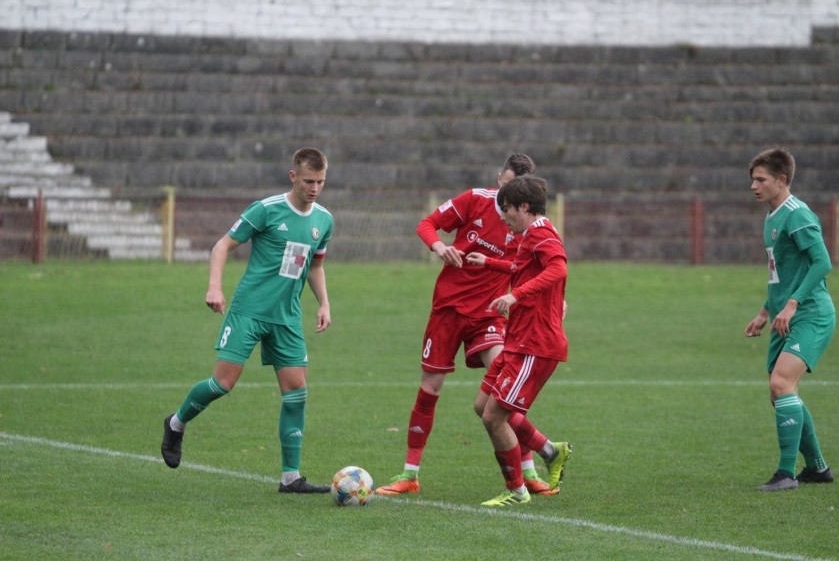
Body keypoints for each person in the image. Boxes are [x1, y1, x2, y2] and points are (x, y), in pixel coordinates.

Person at [376, 154, 571, 497]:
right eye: (504, 183)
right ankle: (410, 474)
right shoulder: (475, 201)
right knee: (431, 388)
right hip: (448, 309)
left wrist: (552, 298)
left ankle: (527, 474)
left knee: (501, 397)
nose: (505, 194)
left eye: (514, 190)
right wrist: (438, 246)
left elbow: (548, 267)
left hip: (489, 315)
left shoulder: (527, 228)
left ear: (524, 200)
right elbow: (426, 223)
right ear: (499, 178)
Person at [161, 147, 334, 494]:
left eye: (320, 181)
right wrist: (214, 287)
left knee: (296, 392)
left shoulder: (324, 220)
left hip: (286, 318)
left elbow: (314, 265)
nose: (315, 188)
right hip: (249, 311)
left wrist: (324, 303)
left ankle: (290, 478)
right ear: (293, 177)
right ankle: (176, 423)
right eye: (308, 181)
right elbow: (222, 246)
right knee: (222, 383)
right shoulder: (267, 209)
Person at [466, 174, 569, 507]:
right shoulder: (530, 234)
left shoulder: (541, 235)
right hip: (519, 340)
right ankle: (551, 452)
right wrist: (491, 263)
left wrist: (516, 296)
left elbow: (558, 269)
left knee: (494, 416)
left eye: (508, 209)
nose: (504, 215)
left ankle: (516, 489)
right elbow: (521, 266)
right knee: (483, 406)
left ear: (525, 207)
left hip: (535, 345)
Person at [744, 147, 836, 491]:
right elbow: (780, 273)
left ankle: (785, 474)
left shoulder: (797, 214)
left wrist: (793, 303)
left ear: (782, 180)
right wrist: (766, 311)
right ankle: (817, 468)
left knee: (781, 385)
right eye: (752, 179)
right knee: (782, 392)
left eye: (760, 179)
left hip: (811, 313)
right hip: (785, 315)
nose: (754, 186)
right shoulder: (772, 215)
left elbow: (822, 263)